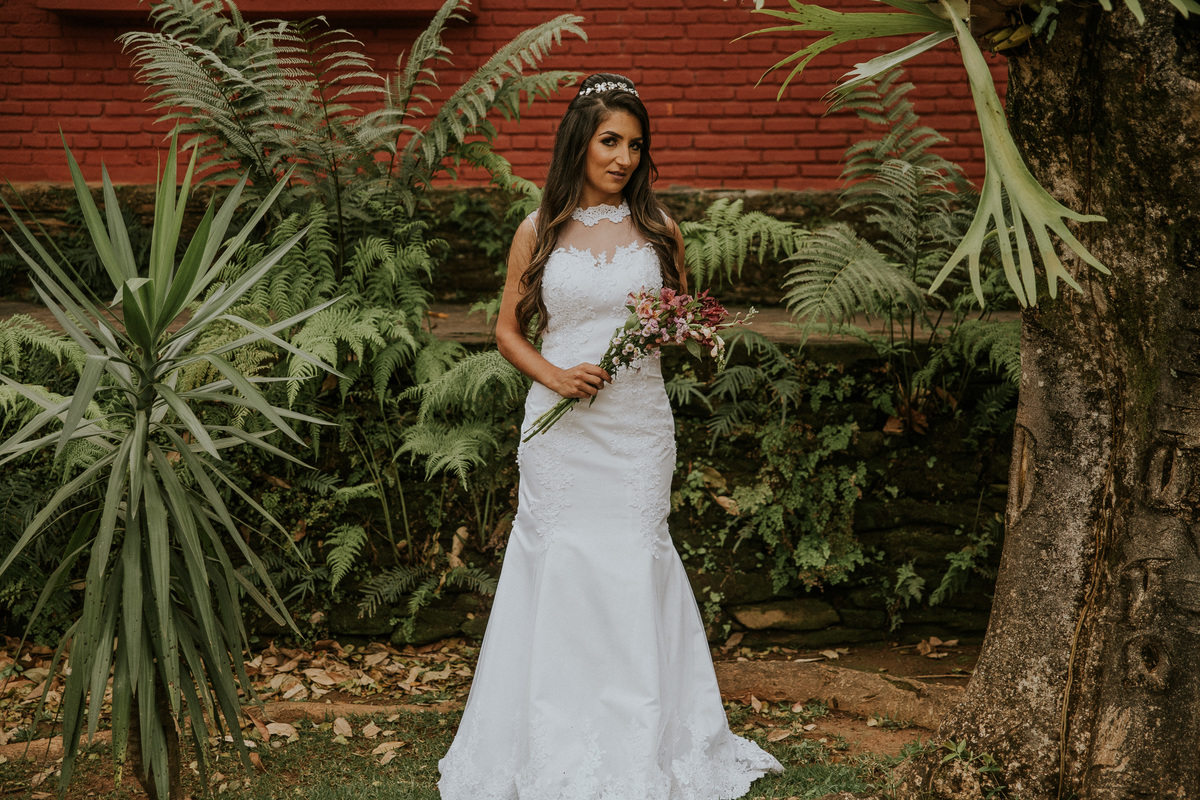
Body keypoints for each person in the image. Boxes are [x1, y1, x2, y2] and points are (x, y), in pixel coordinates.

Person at [437, 73, 783, 799]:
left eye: (635, 144)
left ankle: (645, 738)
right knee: (558, 564)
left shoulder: (659, 229)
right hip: (560, 432)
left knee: (632, 559)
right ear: (579, 142)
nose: (624, 157)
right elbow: (507, 329)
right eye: (610, 141)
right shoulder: (538, 229)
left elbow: (681, 319)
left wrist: (692, 331)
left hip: (636, 426)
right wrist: (556, 376)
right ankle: (548, 734)